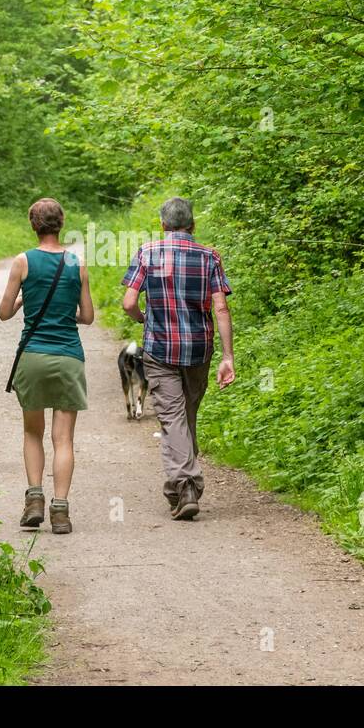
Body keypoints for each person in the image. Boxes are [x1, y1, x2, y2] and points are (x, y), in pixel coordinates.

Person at [121, 197, 235, 521]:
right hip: (199, 350)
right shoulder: (209, 256)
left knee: (172, 418)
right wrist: (228, 357)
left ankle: (184, 486)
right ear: (193, 225)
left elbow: (128, 302)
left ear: (162, 225)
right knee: (186, 415)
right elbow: (222, 308)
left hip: (159, 349)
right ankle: (183, 485)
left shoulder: (147, 252)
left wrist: (143, 317)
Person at [0, 198, 94, 534]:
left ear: (33, 225)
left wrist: (27, 297)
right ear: (61, 224)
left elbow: (4, 312)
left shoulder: (22, 262)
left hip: (33, 357)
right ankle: (61, 511)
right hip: (69, 356)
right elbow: (88, 317)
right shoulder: (76, 264)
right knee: (63, 438)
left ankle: (34, 499)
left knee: (32, 432)